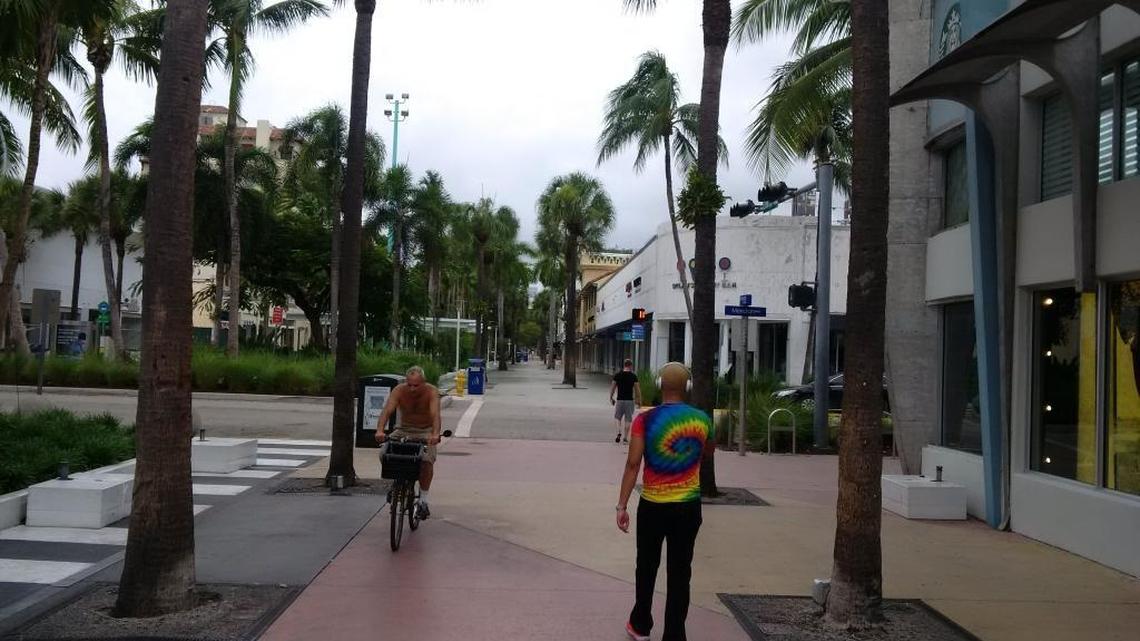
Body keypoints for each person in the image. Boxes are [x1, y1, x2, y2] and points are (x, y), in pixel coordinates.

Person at [615, 362, 714, 641]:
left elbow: (633, 464)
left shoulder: (645, 420)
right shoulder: (702, 419)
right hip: (688, 508)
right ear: (688, 387)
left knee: (646, 567)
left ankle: (640, 625)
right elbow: (708, 451)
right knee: (680, 571)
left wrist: (622, 506)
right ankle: (674, 634)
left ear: (659, 385)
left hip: (653, 507)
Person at [375, 366, 442, 518]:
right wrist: (380, 430)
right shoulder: (399, 390)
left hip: (425, 430)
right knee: (385, 454)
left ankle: (423, 500)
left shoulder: (431, 391)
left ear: (423, 382)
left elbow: (435, 415)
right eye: (409, 384)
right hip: (403, 429)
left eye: (416, 385)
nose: (412, 389)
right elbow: (387, 410)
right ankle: (397, 483)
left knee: (426, 461)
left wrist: (435, 434)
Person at [610, 359, 642, 443]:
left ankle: (618, 432)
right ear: (631, 366)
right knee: (628, 419)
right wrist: (639, 400)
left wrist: (611, 397)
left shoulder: (617, 375)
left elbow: (613, 387)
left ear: (624, 365)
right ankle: (625, 438)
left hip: (620, 400)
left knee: (617, 417)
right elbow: (637, 390)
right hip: (629, 401)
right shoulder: (633, 376)